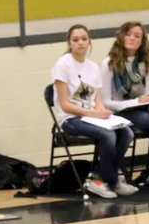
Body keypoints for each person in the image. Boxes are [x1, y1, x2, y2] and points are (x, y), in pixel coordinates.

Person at [51, 24, 136, 199]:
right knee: (108, 136)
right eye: (76, 40)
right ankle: (110, 180)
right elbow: (65, 105)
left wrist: (104, 112)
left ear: (89, 41)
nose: (80, 43)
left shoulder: (93, 67)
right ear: (69, 43)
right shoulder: (63, 65)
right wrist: (93, 114)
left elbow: (97, 102)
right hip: (71, 119)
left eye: (84, 39)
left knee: (126, 132)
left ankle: (99, 177)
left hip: (91, 118)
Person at [101, 21, 149, 191]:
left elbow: (147, 95)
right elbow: (106, 102)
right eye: (128, 34)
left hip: (141, 110)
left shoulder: (145, 62)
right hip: (118, 113)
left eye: (137, 36)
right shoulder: (108, 64)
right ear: (121, 36)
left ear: (142, 42)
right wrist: (135, 102)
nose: (132, 39)